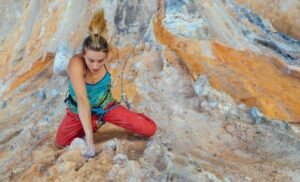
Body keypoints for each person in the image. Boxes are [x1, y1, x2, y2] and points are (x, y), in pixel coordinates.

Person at [55, 11, 157, 158]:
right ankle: (93, 123)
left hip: (105, 106)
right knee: (61, 143)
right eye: (91, 60)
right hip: (78, 111)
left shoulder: (110, 54)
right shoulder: (76, 64)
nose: (95, 66)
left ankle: (100, 120)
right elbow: (83, 101)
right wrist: (90, 140)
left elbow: (120, 51)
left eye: (100, 61)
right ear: (83, 55)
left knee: (149, 129)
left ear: (105, 56)